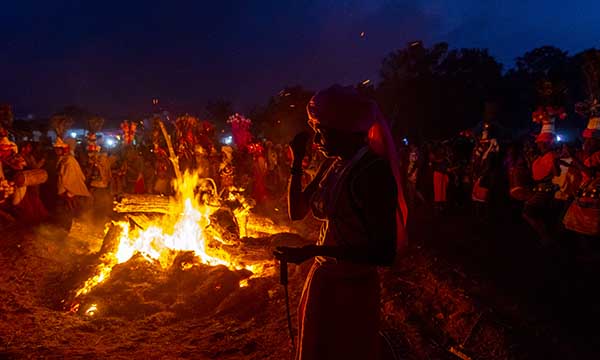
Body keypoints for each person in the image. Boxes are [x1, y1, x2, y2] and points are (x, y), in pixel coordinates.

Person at [274, 85, 407, 360]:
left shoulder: (373, 173)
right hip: (325, 281)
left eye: (321, 130)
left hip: (353, 289)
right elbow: (297, 211)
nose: (316, 139)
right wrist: (296, 162)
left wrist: (314, 251)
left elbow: (383, 252)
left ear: (344, 130)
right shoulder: (333, 165)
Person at [54, 138, 91, 230]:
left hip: (69, 191)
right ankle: (63, 227)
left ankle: (67, 228)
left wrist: (68, 190)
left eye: (58, 149)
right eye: (56, 149)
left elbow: (70, 177)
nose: (56, 151)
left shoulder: (69, 160)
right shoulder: (63, 159)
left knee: (68, 211)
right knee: (64, 211)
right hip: (64, 190)